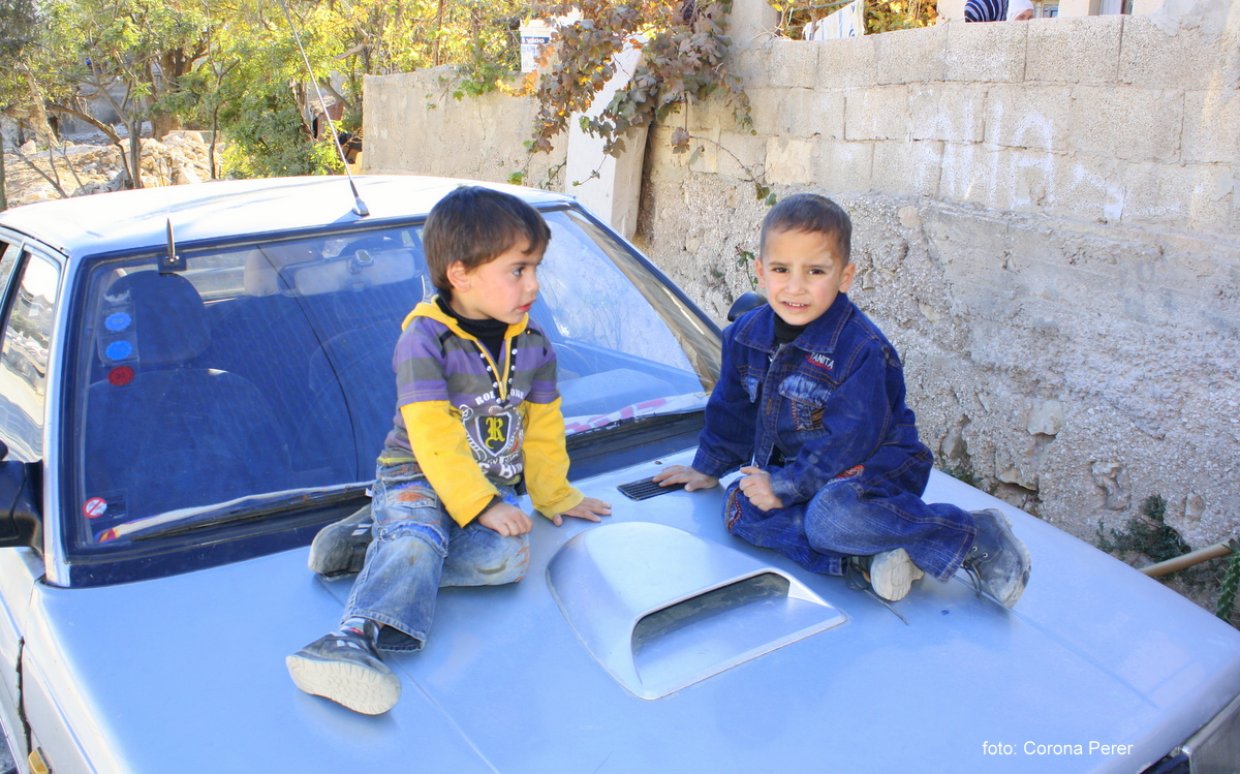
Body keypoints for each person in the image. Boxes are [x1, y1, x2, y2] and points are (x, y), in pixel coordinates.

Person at [287, 186, 611, 715]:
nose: (533, 284)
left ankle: (375, 539)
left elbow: (544, 426)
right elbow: (432, 435)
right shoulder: (425, 341)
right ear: (460, 274)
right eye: (518, 270)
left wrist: (553, 495)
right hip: (416, 473)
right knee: (417, 540)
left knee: (507, 560)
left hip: (481, 487)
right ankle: (351, 639)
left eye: (536, 268)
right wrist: (483, 506)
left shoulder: (533, 344)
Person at [653, 193, 1030, 609]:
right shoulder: (745, 335)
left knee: (830, 518)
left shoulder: (860, 349)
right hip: (806, 473)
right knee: (739, 507)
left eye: (815, 271)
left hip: (875, 467)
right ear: (761, 272)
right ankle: (870, 558)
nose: (795, 287)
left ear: (844, 276)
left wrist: (783, 486)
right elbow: (731, 411)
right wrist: (706, 468)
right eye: (781, 269)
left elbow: (847, 440)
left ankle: (970, 533)